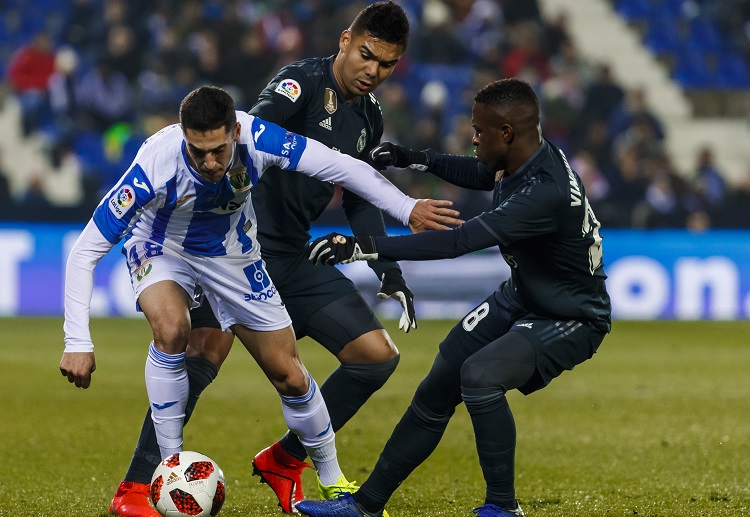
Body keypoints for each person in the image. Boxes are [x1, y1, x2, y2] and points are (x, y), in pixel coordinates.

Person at [105, 4, 448, 517]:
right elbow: (250, 137)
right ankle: (135, 486)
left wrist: (387, 268)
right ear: (346, 39)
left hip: (294, 253)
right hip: (236, 252)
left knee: (375, 357)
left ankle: (285, 458)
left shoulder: (369, 117)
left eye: (387, 64)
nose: (372, 71)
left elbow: (356, 195)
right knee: (199, 353)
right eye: (366, 55)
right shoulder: (299, 84)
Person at [296, 78, 612, 517]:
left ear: (507, 133)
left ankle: (503, 508)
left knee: (480, 377)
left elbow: (457, 242)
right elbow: (483, 171)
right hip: (522, 295)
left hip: (570, 315)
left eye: (479, 132)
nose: (473, 138)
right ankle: (366, 506)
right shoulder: (526, 155)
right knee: (440, 380)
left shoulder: (546, 192)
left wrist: (364, 246)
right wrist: (416, 159)